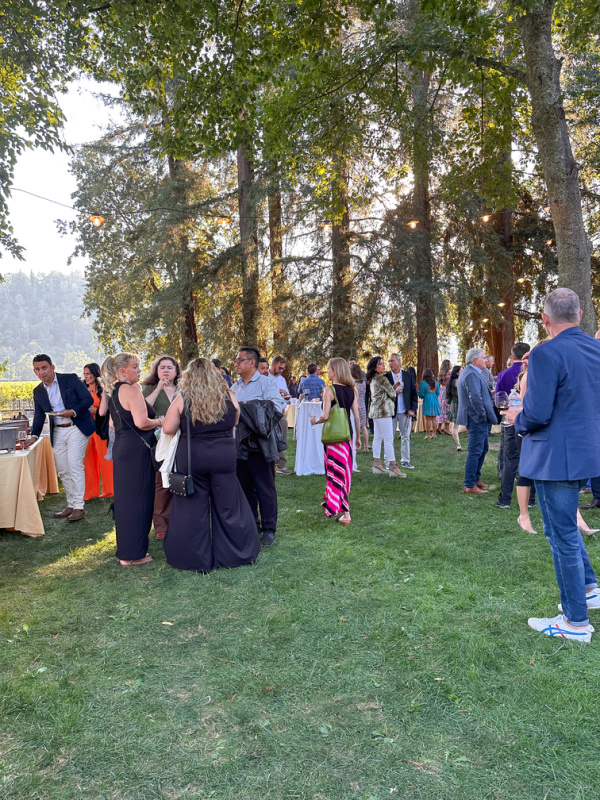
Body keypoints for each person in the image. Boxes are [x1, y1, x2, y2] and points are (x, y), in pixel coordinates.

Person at [505, 288, 600, 642]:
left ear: (545, 319)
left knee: (560, 534)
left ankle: (576, 622)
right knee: (565, 529)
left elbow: (538, 413)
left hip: (555, 457)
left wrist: (517, 418)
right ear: (579, 315)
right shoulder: (595, 349)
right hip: (586, 451)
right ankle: (588, 590)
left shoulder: (546, 353)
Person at [162, 358, 260, 572]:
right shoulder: (229, 395)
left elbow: (168, 428)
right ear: (214, 375)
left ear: (189, 376)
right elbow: (235, 421)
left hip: (193, 457)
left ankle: (194, 558)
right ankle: (235, 554)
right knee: (228, 504)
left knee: (192, 507)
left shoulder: (183, 398)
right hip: (223, 455)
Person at [103, 353, 163, 566]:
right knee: (141, 499)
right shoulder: (131, 389)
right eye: (135, 367)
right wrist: (160, 421)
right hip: (137, 450)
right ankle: (135, 554)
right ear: (122, 371)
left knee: (126, 500)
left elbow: (112, 424)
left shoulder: (114, 391)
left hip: (122, 448)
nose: (139, 370)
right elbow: (141, 422)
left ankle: (127, 553)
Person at [27, 354, 95, 522]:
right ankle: (71, 504)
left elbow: (88, 399)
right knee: (63, 469)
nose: (41, 372)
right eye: (37, 369)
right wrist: (34, 435)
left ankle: (78, 507)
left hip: (76, 427)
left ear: (52, 367)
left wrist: (72, 411)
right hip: (57, 431)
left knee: (74, 465)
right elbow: (39, 416)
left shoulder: (70, 379)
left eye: (44, 368)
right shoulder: (38, 391)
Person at [231, 346, 285, 547]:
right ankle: (252, 524)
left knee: (265, 487)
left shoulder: (266, 383)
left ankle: (269, 529)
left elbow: (275, 409)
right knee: (245, 487)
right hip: (239, 444)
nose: (236, 363)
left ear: (252, 362)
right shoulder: (234, 387)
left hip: (261, 444)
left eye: (240, 360)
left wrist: (243, 411)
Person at [311, 358, 361, 526]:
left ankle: (346, 514)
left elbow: (325, 416)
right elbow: (357, 417)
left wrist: (314, 421)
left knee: (335, 472)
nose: (327, 371)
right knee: (343, 472)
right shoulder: (352, 390)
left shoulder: (329, 390)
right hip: (347, 436)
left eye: (329, 369)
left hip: (333, 439)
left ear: (335, 370)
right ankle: (331, 502)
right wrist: (358, 438)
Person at [141, 356, 181, 540]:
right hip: (159, 441)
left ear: (176, 370)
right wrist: (158, 389)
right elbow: (143, 409)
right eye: (162, 367)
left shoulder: (184, 388)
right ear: (156, 371)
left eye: (169, 367)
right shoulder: (149, 389)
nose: (166, 371)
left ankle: (179, 519)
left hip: (181, 439)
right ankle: (161, 524)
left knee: (180, 478)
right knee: (161, 482)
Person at [457, 348, 496, 494]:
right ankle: (469, 485)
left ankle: (475, 479)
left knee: (483, 449)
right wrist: (482, 415)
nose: (486, 360)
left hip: (476, 417)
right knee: (476, 451)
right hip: (476, 418)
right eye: (483, 358)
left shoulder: (472, 372)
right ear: (475, 360)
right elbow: (475, 398)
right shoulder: (471, 374)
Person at [366, 356, 406, 477]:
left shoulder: (374, 379)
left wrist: (392, 388)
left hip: (376, 412)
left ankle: (377, 463)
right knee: (388, 439)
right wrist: (396, 390)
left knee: (377, 438)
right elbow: (392, 394)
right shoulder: (382, 378)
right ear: (375, 367)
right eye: (381, 364)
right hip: (383, 411)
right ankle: (393, 466)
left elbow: (384, 392)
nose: (384, 365)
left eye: (384, 363)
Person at [82, 363, 114, 501]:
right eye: (84, 374)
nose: (86, 376)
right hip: (86, 428)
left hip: (100, 427)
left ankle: (110, 490)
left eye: (88, 373)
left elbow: (110, 408)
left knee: (104, 459)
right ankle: (90, 492)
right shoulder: (82, 389)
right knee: (87, 460)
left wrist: (96, 410)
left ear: (95, 374)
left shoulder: (104, 389)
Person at [385, 354, 418, 468]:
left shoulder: (408, 376)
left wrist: (412, 409)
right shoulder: (386, 377)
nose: (390, 363)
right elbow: (383, 395)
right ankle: (389, 462)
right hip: (391, 412)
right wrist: (394, 392)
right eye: (389, 361)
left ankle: (405, 460)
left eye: (392, 361)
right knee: (389, 437)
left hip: (405, 411)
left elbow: (414, 393)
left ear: (399, 362)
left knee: (405, 436)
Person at [269, 355, 293, 475]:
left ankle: (280, 465)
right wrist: (279, 391)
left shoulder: (282, 379)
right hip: (270, 412)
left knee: (282, 439)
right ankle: (276, 464)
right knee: (271, 438)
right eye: (279, 368)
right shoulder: (266, 377)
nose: (281, 370)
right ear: (273, 364)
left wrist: (287, 396)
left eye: (283, 368)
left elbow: (286, 394)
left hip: (281, 412)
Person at [350, 363, 369, 452]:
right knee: (363, 426)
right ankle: (366, 446)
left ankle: (355, 443)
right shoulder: (363, 383)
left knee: (354, 425)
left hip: (354, 405)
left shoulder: (352, 383)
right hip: (362, 404)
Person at [418, 368, 441, 440]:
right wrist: (434, 395)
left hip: (427, 400)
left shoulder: (423, 383)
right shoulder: (435, 382)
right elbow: (438, 392)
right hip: (434, 399)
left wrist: (424, 396)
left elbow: (421, 393)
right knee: (434, 418)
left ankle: (428, 435)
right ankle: (434, 434)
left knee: (428, 419)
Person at [445, 364, 462, 450]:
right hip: (457, 404)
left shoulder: (452, 381)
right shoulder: (457, 381)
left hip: (454, 404)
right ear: (457, 373)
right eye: (461, 370)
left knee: (455, 426)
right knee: (455, 426)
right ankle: (458, 444)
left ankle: (458, 444)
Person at [437, 359, 453, 436]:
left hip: (441, 392)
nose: (451, 364)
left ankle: (438, 427)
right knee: (448, 410)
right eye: (450, 363)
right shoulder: (449, 374)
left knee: (441, 410)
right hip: (448, 392)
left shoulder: (440, 374)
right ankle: (447, 429)